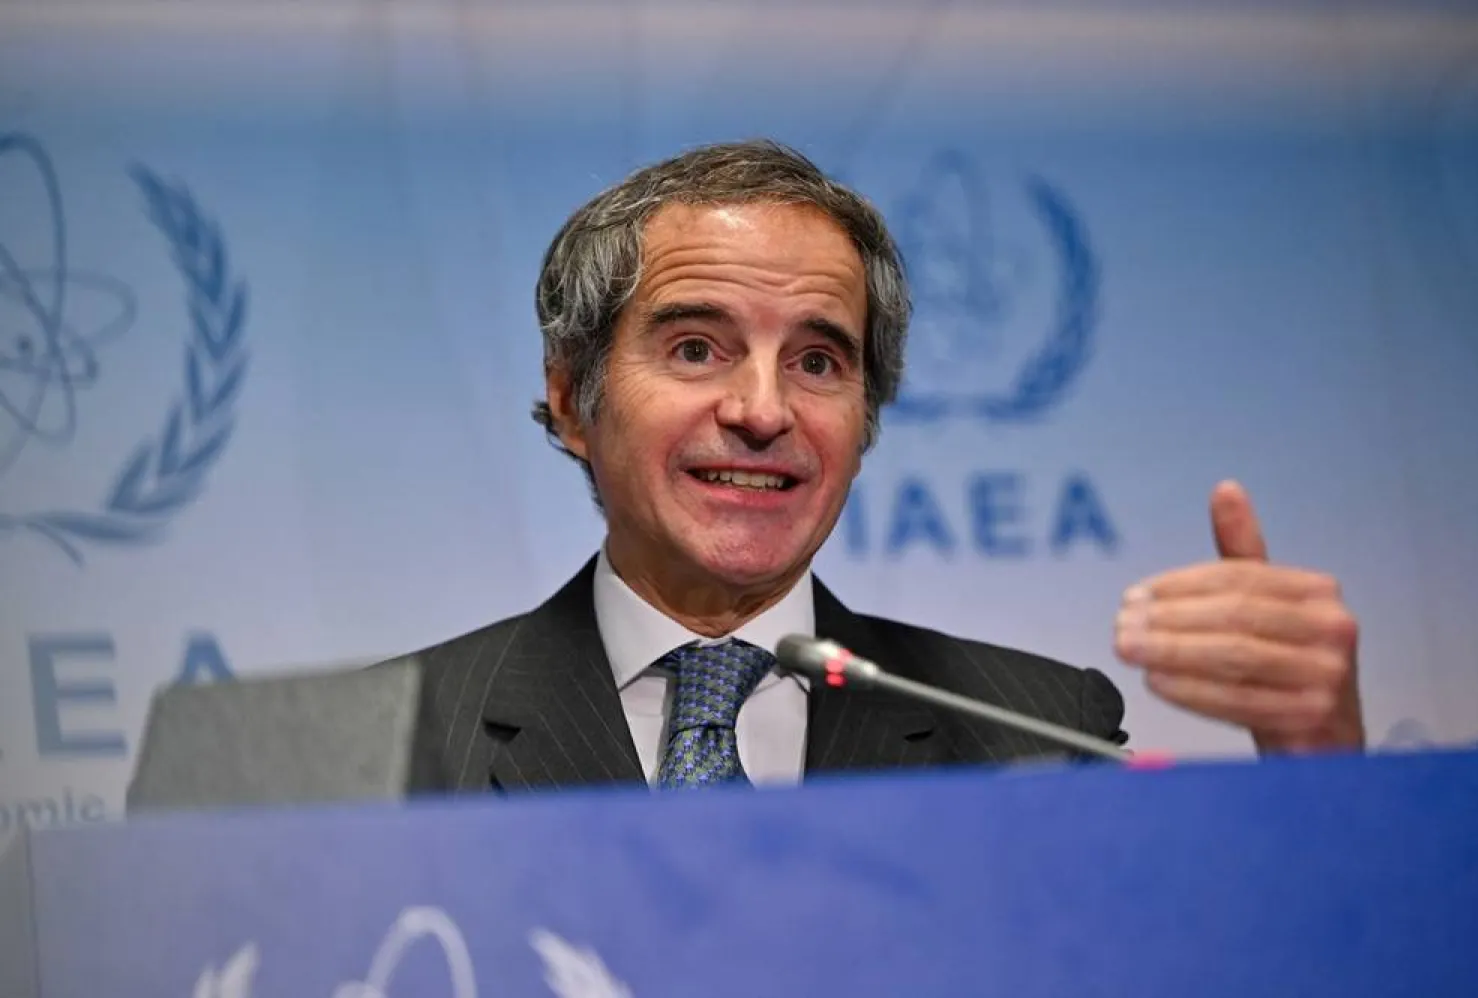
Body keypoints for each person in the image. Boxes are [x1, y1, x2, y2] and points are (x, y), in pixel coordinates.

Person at [405, 140, 1364, 794]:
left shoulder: (1032, 736)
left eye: (819, 362)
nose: (763, 410)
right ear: (573, 396)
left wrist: (1323, 778)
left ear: (866, 416)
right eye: (697, 347)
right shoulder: (395, 744)